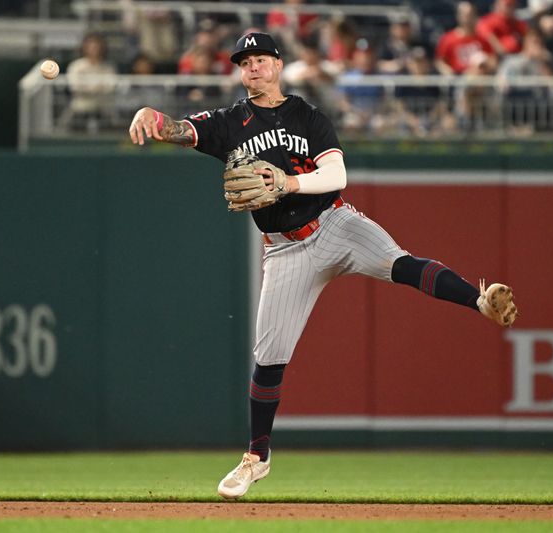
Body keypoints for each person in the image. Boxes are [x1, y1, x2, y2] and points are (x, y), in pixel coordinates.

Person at [128, 31, 518, 500]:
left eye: (260, 59)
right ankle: (257, 457)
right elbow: (180, 129)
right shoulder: (231, 122)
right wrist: (154, 117)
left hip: (333, 223)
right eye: (243, 61)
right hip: (284, 249)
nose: (252, 67)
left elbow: (337, 175)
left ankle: (478, 300)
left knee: (398, 263)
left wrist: (288, 182)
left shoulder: (307, 116)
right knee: (269, 359)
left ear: (278, 64)